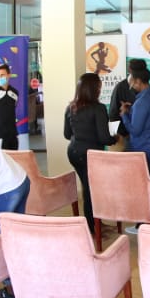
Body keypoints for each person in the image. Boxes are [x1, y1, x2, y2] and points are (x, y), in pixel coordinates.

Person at [64, 72, 117, 233]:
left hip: (74, 152)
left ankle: (94, 224)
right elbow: (104, 138)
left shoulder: (70, 107)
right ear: (94, 89)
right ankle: (92, 228)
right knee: (91, 191)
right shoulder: (98, 108)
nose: (100, 90)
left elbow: (67, 134)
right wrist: (115, 138)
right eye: (99, 87)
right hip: (91, 155)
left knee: (88, 188)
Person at [109, 58, 147, 138]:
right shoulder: (120, 87)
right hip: (125, 134)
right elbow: (113, 113)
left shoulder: (146, 88)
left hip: (143, 135)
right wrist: (114, 136)